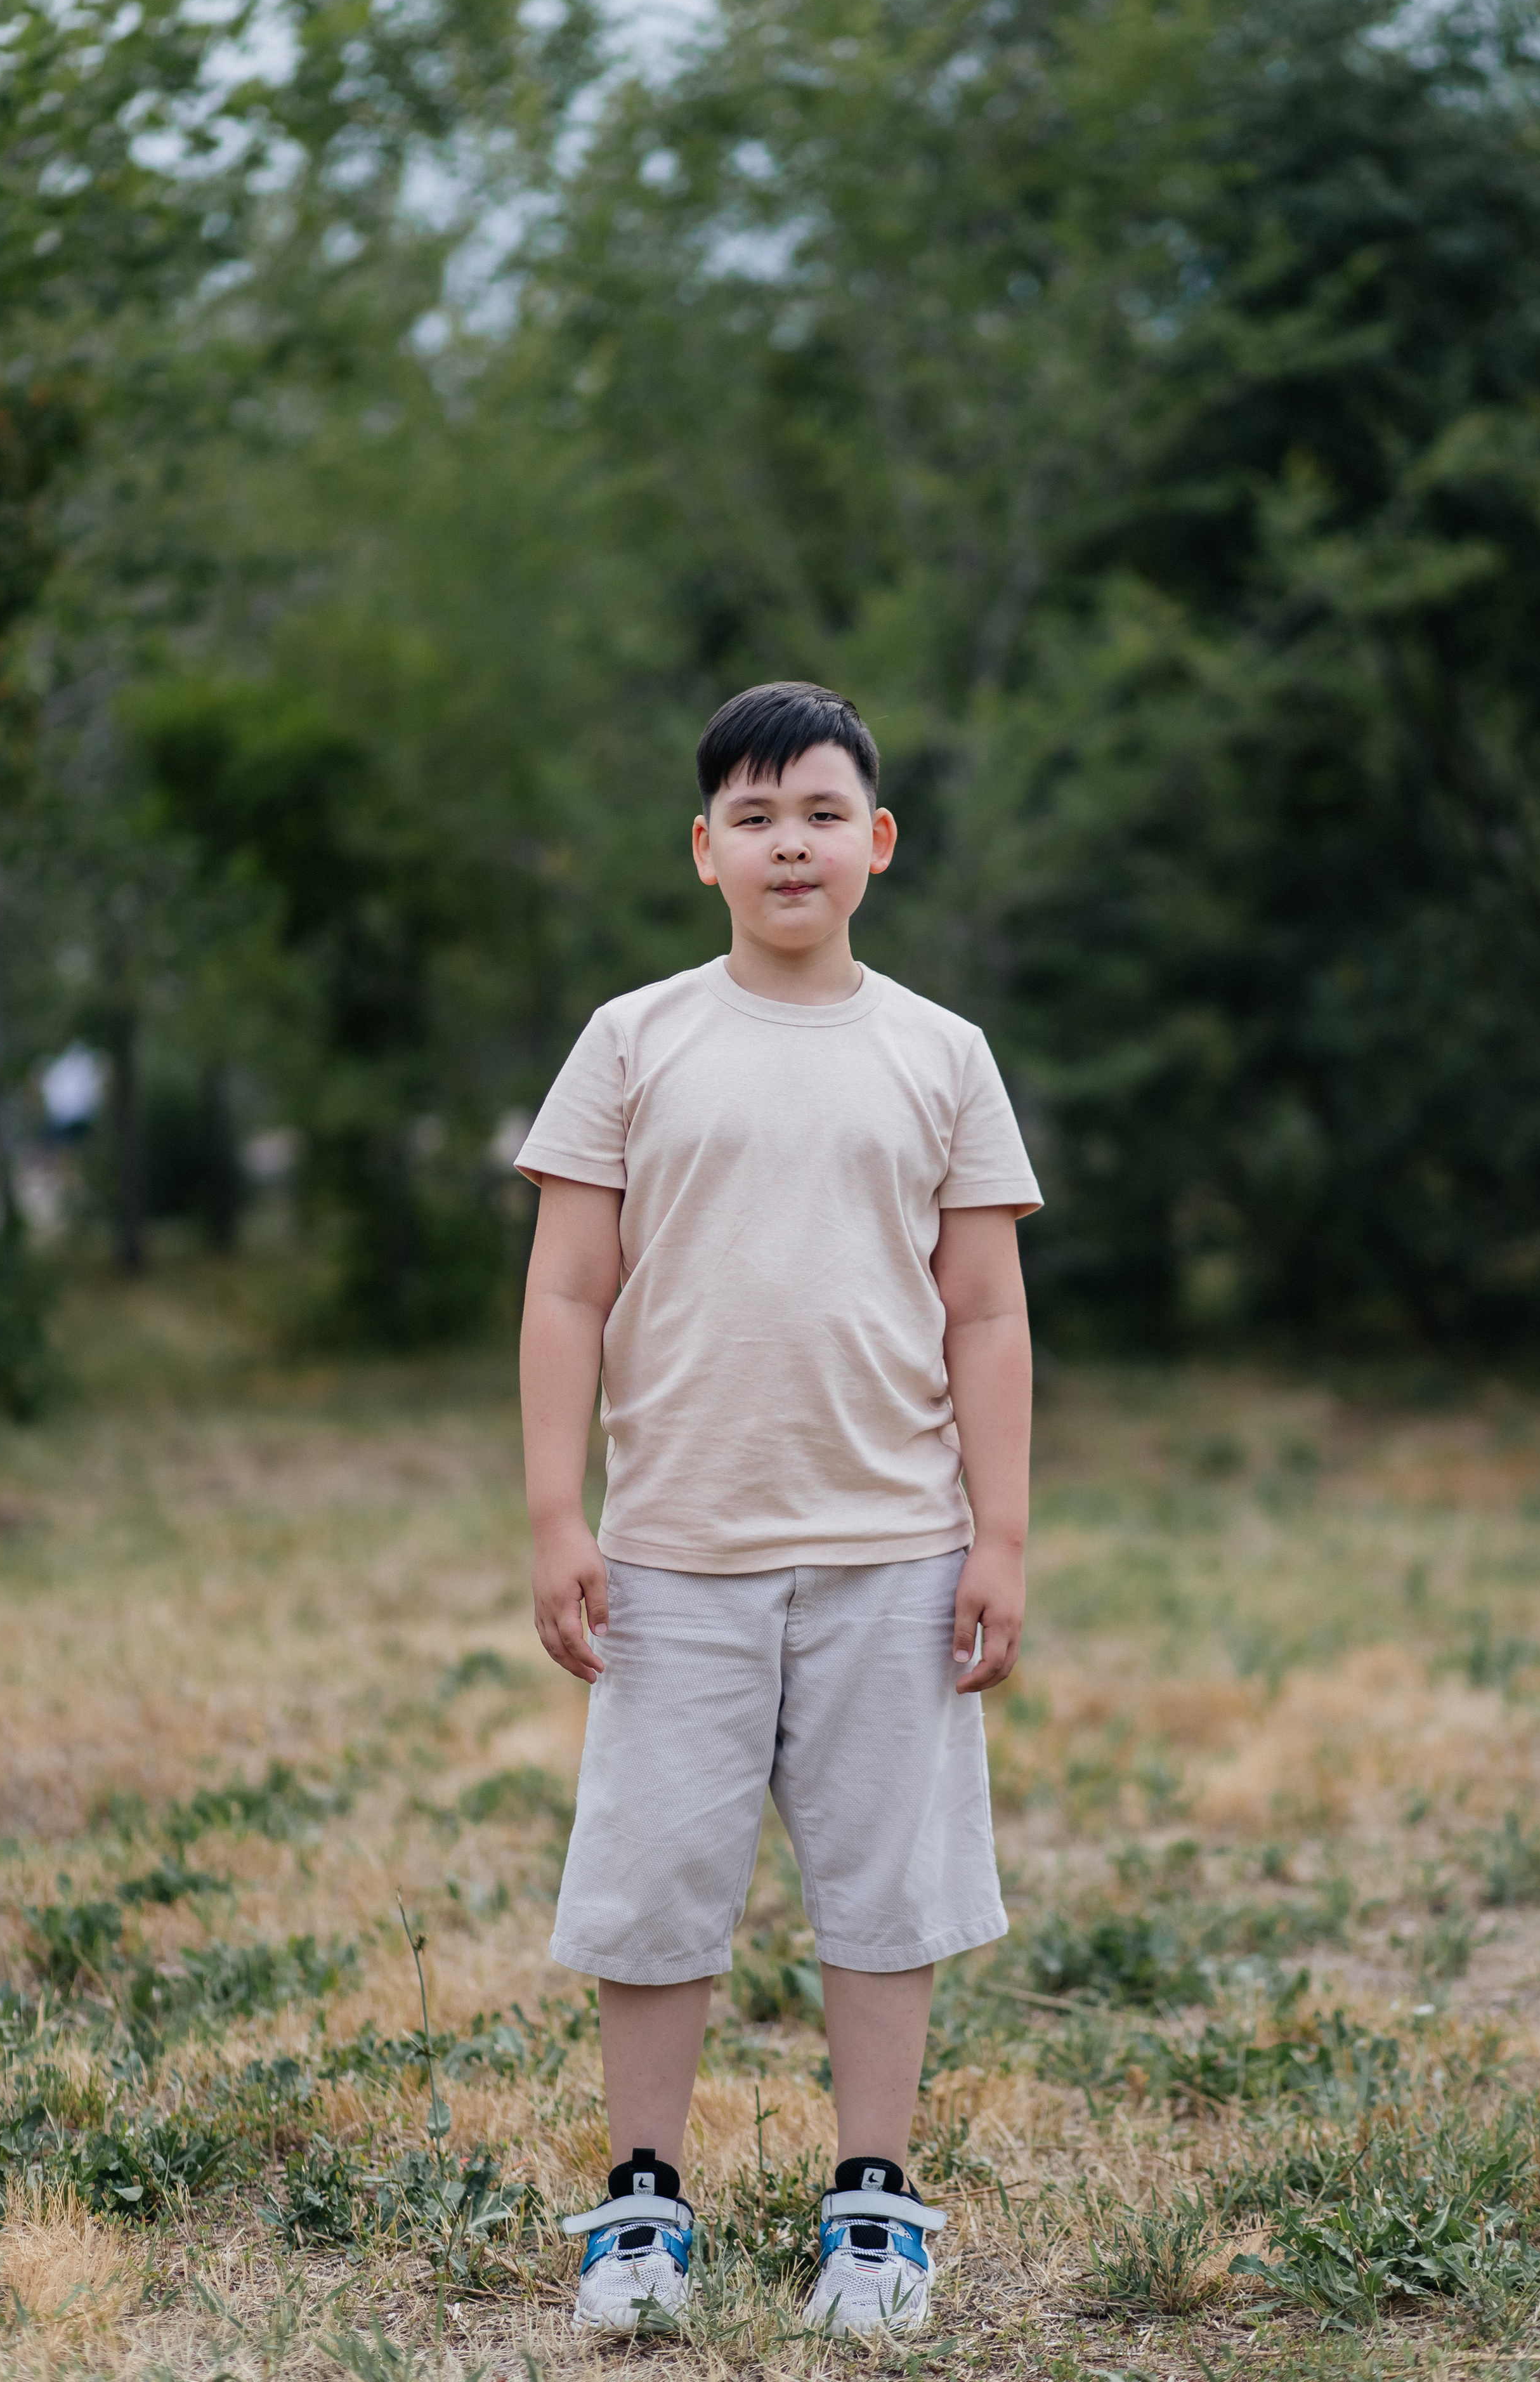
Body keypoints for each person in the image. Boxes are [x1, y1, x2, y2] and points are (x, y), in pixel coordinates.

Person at [514, 681, 1041, 2336]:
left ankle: (875, 2207)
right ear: (704, 851)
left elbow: (988, 1313)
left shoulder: (939, 1052)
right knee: (658, 1886)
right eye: (753, 815)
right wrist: (556, 1513)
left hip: (896, 1548)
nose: (788, 841)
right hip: (677, 1551)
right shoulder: (635, 1038)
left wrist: (1004, 1536)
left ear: (875, 844)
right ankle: (641, 2212)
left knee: (885, 1892)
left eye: (820, 812)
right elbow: (568, 1291)